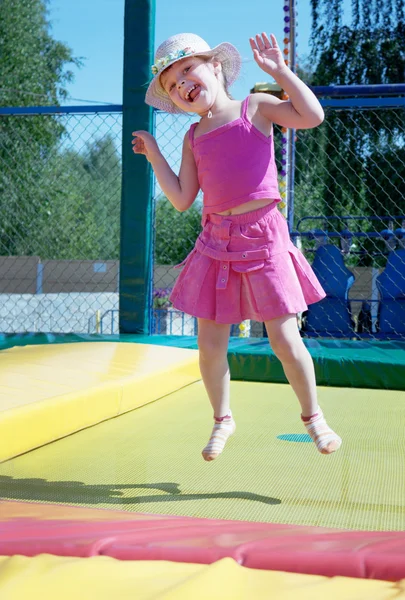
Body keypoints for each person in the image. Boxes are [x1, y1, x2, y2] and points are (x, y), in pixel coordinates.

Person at [132, 32, 342, 461]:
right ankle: (222, 418)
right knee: (209, 345)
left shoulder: (256, 107)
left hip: (264, 237)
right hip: (217, 245)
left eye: (187, 69)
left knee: (284, 338)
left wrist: (281, 73)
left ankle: (313, 416)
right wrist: (155, 155)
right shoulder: (193, 138)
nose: (183, 83)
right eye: (173, 84)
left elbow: (313, 116)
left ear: (215, 66)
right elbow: (181, 198)